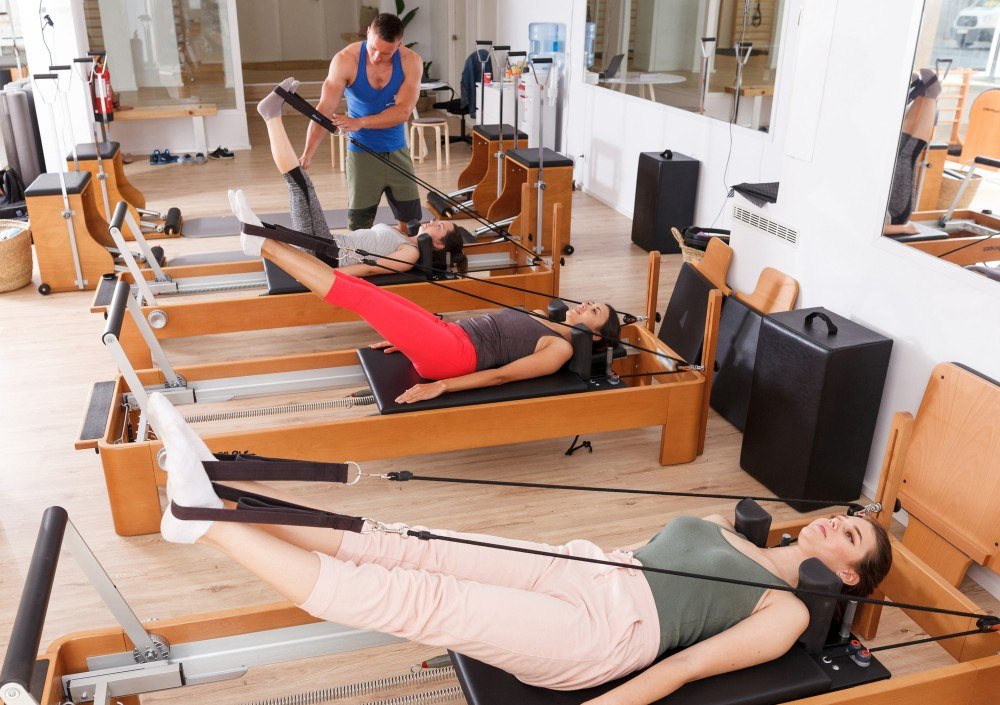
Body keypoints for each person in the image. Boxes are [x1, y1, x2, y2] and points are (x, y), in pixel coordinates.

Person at [149, 392, 893, 702]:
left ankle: (204, 518)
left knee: (420, 599)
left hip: (606, 635)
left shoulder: (785, 610)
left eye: (851, 533)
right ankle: (224, 492)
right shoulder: (739, 531)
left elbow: (686, 666)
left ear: (850, 574)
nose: (834, 522)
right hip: (583, 566)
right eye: (845, 516)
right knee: (404, 544)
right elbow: (640, 550)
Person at [235, 202, 620, 403]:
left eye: (594, 311)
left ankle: (265, 244)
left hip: (450, 356)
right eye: (590, 302)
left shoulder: (556, 348)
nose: (585, 304)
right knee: (373, 293)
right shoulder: (547, 319)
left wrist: (444, 387)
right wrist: (412, 335)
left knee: (359, 296)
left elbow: (502, 375)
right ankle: (264, 242)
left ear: (597, 337)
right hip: (447, 333)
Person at [248, 78, 469, 276]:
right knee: (302, 185)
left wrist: (329, 277)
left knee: (299, 185)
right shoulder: (404, 239)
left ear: (439, 245)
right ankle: (273, 112)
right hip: (327, 243)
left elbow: (372, 267)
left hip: (326, 256)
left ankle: (271, 114)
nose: (432, 221)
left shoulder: (410, 254)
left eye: (438, 227)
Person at [299, 13, 423, 232]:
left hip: (398, 151)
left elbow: (403, 112)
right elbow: (324, 109)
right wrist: (307, 154)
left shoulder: (410, 61)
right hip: (361, 154)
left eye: (386, 53)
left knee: (412, 225)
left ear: (399, 45)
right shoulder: (346, 60)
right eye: (373, 48)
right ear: (367, 33)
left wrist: (360, 122)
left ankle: (409, 263)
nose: (376, 57)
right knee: (359, 227)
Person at [884, 69, 942, 236]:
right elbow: (867, 228)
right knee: (906, 156)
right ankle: (931, 95)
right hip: (894, 214)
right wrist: (904, 228)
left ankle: (922, 91)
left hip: (882, 202)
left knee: (899, 147)